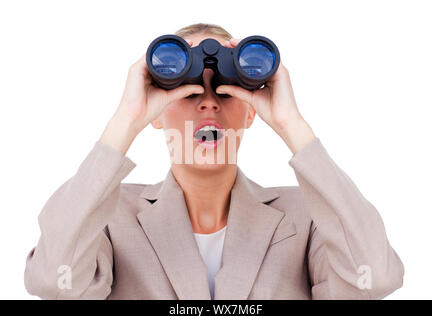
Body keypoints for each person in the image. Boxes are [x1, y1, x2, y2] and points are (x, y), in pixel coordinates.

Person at [24, 23, 404, 300]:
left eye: (225, 88)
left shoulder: (307, 215)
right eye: (188, 91)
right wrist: (125, 119)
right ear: (156, 115)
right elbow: (53, 281)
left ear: (252, 112)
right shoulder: (109, 215)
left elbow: (373, 278)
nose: (209, 102)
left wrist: (293, 124)